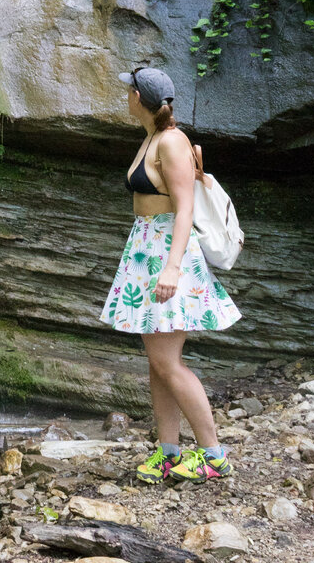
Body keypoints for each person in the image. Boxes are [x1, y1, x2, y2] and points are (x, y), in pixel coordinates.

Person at [100, 66, 241, 484]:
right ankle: (168, 453)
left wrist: (173, 267)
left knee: (169, 363)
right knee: (158, 363)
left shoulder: (173, 142)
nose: (125, 96)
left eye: (129, 90)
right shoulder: (152, 138)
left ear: (139, 98)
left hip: (166, 252)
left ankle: (213, 456)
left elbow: (185, 209)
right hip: (145, 249)